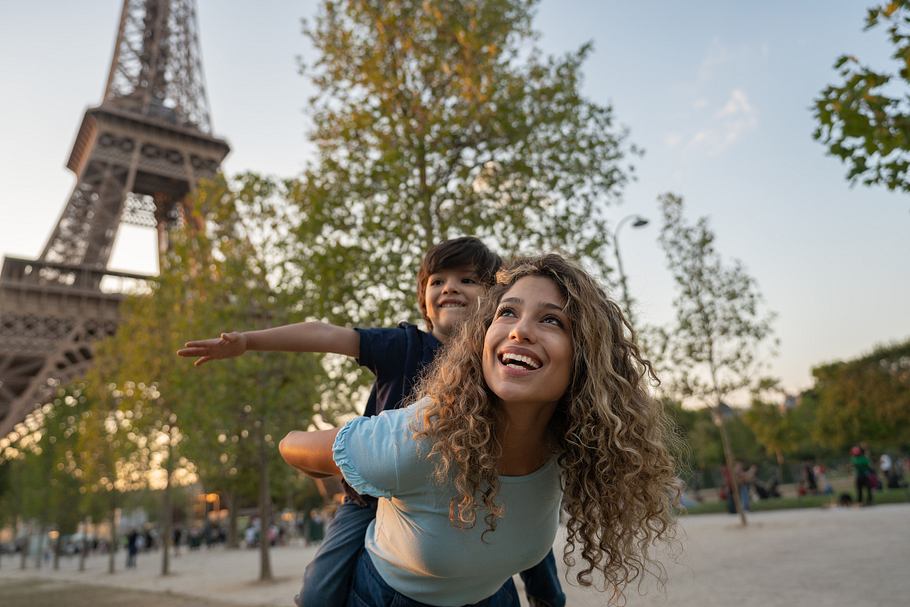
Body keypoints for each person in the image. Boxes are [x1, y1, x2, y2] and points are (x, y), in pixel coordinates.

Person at [179, 238, 565, 607]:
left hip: (472, 481)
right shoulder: (403, 345)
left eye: (467, 280)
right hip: (373, 494)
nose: (450, 288)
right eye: (437, 281)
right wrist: (248, 341)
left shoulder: (499, 360)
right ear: (423, 302)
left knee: (531, 540)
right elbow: (326, 333)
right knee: (317, 595)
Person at [280, 254, 679, 606]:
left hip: (493, 594)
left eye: (552, 320)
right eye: (507, 312)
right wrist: (359, 475)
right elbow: (290, 446)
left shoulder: (578, 443)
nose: (519, 330)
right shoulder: (419, 438)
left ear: (587, 360)